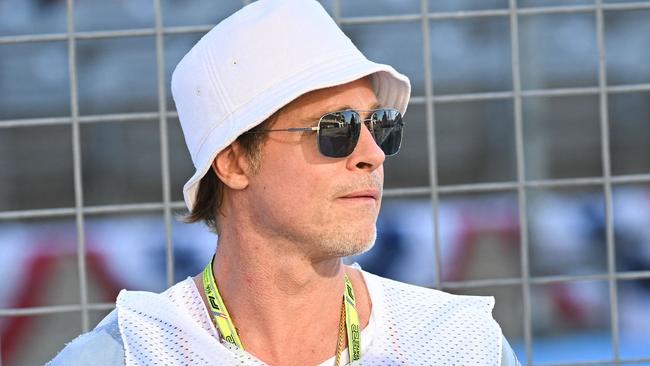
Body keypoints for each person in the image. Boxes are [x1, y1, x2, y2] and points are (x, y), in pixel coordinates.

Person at [50, 0, 520, 365]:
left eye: (382, 126)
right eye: (334, 130)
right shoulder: (129, 354)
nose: (373, 155)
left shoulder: (460, 344)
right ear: (233, 163)